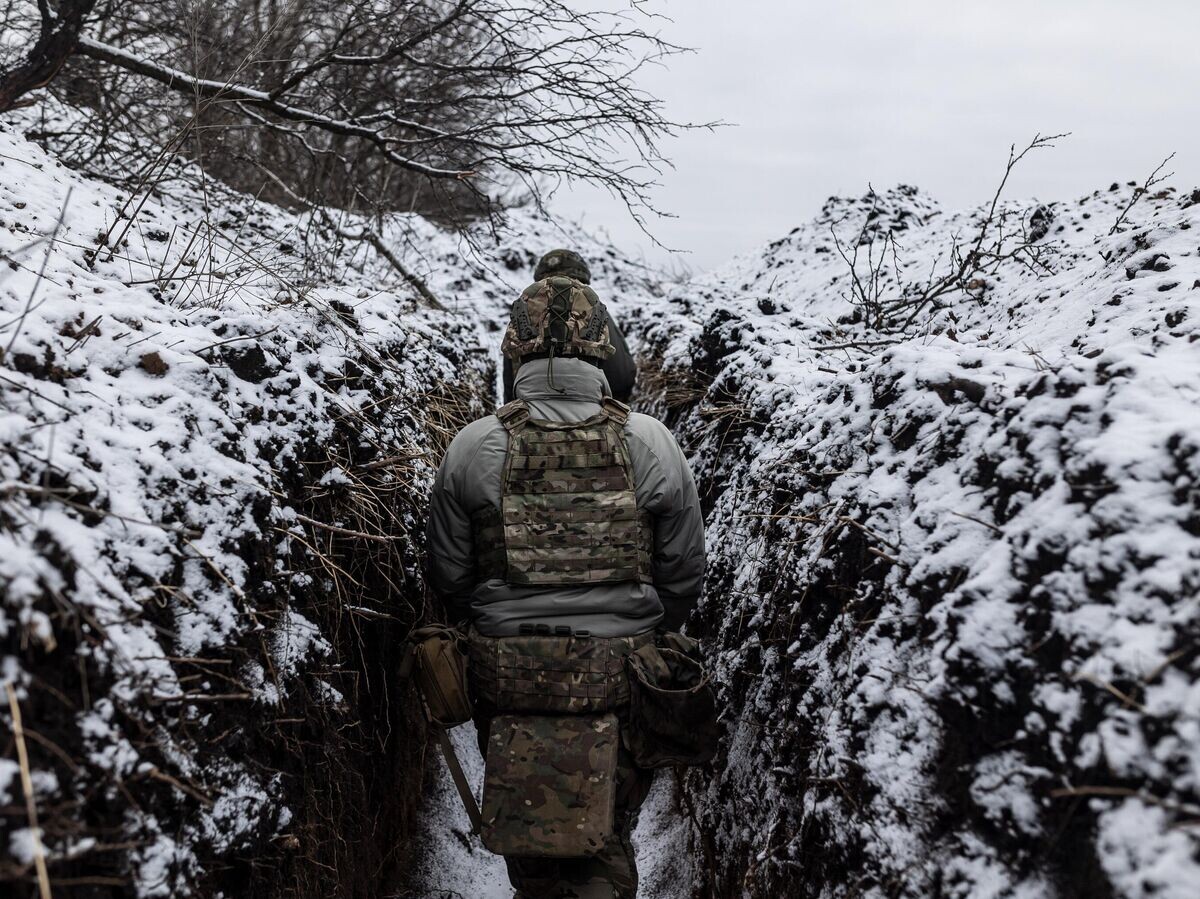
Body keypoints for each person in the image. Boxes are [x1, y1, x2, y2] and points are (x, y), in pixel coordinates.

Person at [426, 254, 705, 898]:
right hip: (622, 679)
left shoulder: (471, 445)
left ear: (512, 351)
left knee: (536, 844)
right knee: (605, 831)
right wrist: (640, 625)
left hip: (508, 679)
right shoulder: (651, 441)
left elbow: (448, 572)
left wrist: (501, 616)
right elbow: (684, 569)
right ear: (604, 350)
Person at [501, 250, 637, 404]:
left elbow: (509, 380)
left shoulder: (524, 316)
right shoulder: (597, 315)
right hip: (592, 414)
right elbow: (622, 376)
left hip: (528, 414)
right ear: (583, 280)